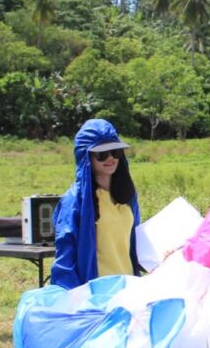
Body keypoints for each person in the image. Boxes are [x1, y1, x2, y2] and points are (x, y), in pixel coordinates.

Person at [50, 118, 142, 289]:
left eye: (115, 152)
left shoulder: (127, 195)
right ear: (86, 157)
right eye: (101, 154)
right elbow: (65, 258)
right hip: (97, 295)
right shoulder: (74, 201)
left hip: (129, 290)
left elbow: (137, 241)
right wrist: (75, 300)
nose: (110, 159)